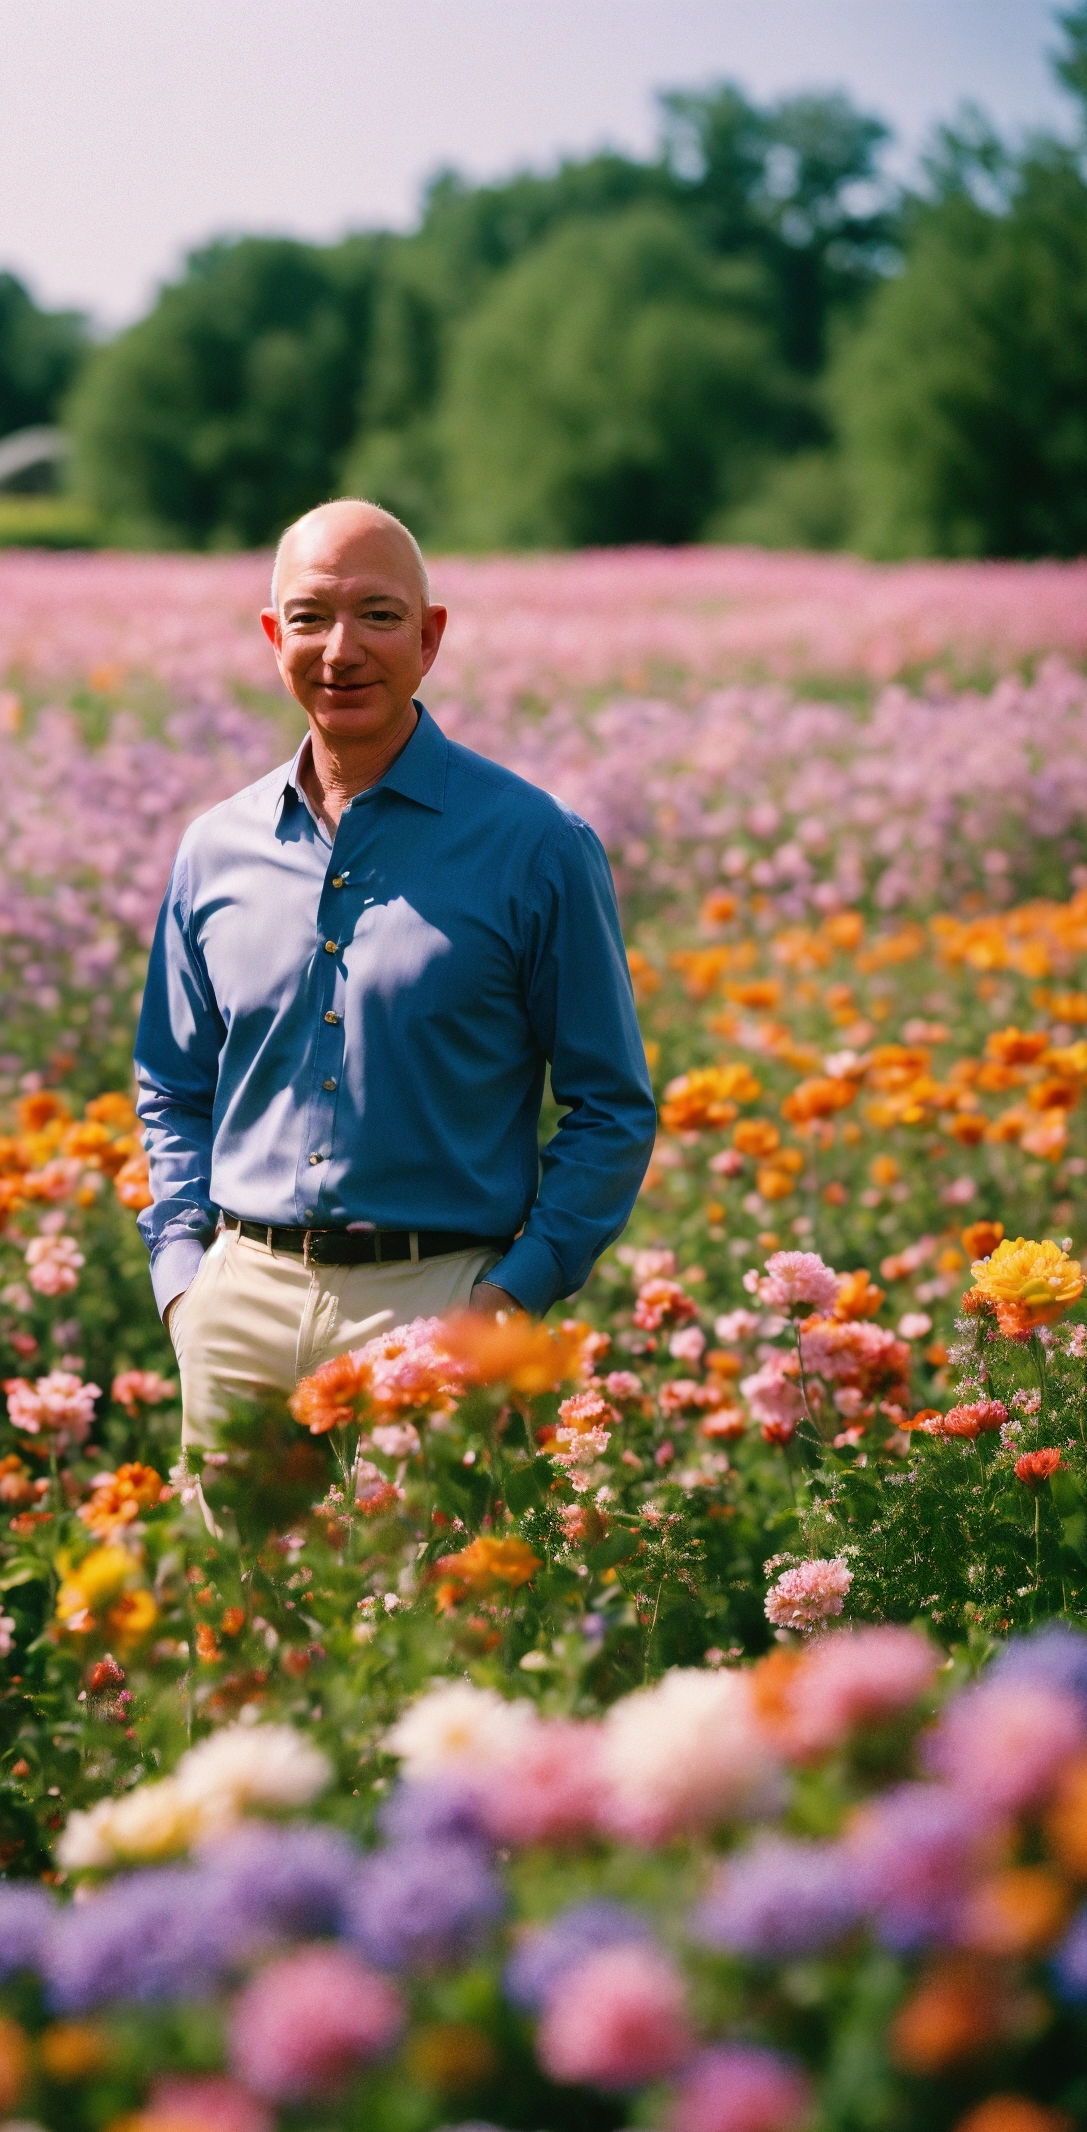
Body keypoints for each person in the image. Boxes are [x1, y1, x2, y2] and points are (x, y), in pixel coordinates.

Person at [133, 498, 656, 1453]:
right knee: (240, 1605)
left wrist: (506, 1301)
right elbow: (171, 1084)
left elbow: (611, 1107)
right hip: (237, 1307)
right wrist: (184, 1285)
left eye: (377, 615)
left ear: (430, 637)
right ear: (270, 636)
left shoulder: (536, 846)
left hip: (437, 1312)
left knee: (431, 1604)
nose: (341, 651)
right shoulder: (213, 850)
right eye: (309, 618)